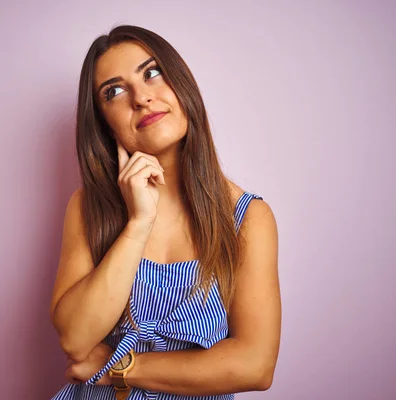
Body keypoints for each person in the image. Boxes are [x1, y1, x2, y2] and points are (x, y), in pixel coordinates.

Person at [50, 25, 281, 400]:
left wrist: (120, 367)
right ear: (105, 124)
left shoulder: (249, 218)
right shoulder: (88, 207)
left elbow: (255, 365)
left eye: (152, 72)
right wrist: (138, 224)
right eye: (115, 91)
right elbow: (76, 341)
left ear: (181, 85)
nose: (141, 98)